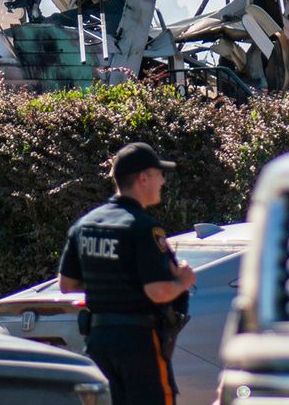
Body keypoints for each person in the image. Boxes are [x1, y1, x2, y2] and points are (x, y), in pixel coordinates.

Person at [57, 142, 197, 405]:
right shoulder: (143, 228)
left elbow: (66, 284)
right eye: (159, 174)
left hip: (98, 341)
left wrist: (113, 282)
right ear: (143, 178)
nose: (163, 182)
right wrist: (183, 280)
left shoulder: (85, 225)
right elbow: (158, 291)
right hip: (139, 343)